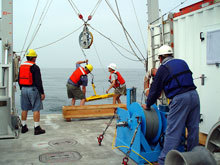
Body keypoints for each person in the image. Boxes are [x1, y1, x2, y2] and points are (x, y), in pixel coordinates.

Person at [141, 45, 200, 165]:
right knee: (193, 129)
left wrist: (148, 105)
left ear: (161, 58)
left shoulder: (163, 68)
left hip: (180, 99)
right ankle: (194, 158)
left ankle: (163, 162)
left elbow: (155, 91)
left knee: (172, 132)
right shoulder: (182, 62)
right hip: (194, 96)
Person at [18, 49, 46, 135]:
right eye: (35, 57)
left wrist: (22, 88)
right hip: (33, 89)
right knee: (36, 108)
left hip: (23, 89)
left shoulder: (22, 66)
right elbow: (38, 81)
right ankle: (37, 128)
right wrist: (42, 92)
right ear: (33, 58)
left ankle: (23, 127)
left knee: (24, 108)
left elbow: (19, 79)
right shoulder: (35, 67)